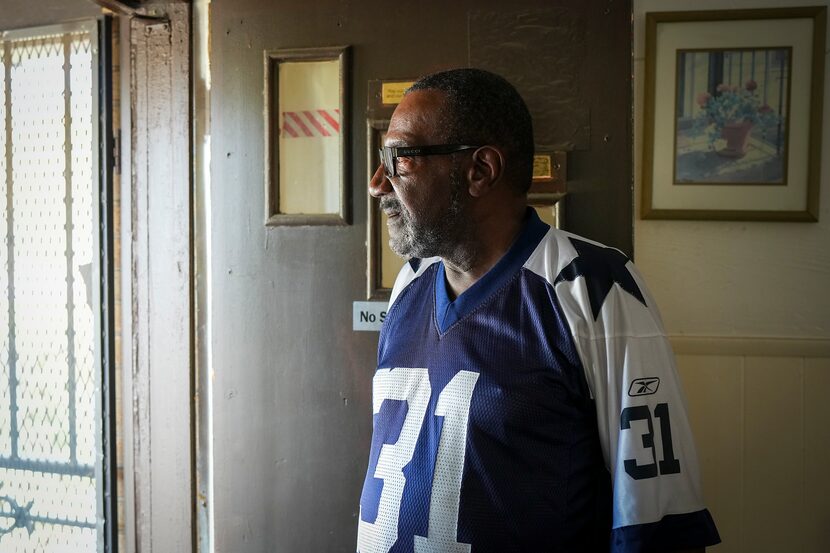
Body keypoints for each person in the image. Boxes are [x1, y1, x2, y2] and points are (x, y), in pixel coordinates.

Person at [357, 68, 720, 553]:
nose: (378, 183)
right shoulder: (411, 284)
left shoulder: (592, 287)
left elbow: (656, 522)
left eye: (400, 158)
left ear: (480, 170)